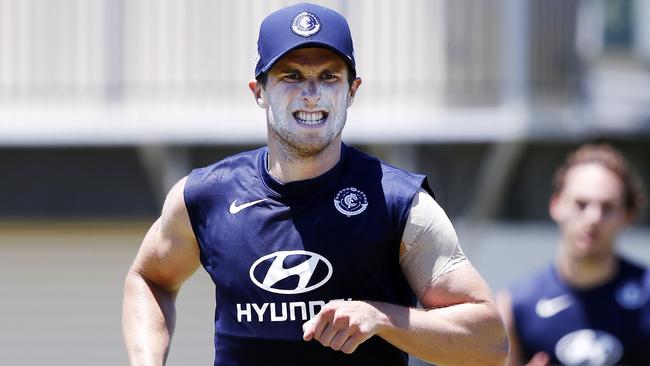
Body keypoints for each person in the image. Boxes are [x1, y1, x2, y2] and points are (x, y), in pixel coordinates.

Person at [122, 3, 508, 365]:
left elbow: (490, 343)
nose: (311, 94)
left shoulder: (400, 203)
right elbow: (149, 279)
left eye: (328, 77)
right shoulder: (206, 196)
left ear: (351, 91)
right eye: (292, 76)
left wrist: (382, 317)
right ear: (259, 92)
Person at [497, 144, 650, 366]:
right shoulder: (516, 305)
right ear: (556, 205)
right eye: (581, 204)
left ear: (627, 216)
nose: (593, 218)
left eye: (607, 207)